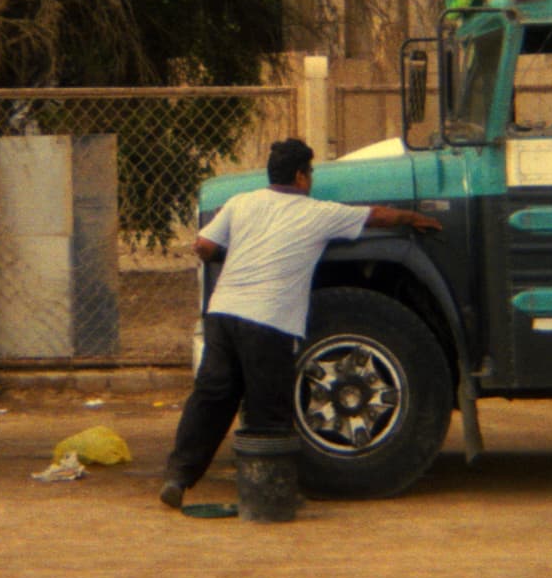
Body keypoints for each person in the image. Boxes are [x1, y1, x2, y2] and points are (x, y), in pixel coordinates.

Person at [160, 138, 441, 511]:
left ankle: (179, 477)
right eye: (311, 172)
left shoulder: (241, 202)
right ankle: (268, 490)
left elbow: (203, 246)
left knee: (212, 397)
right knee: (268, 409)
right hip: (269, 319)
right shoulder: (317, 213)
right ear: (300, 176)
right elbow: (377, 216)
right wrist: (414, 218)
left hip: (224, 314)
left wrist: (233, 254)